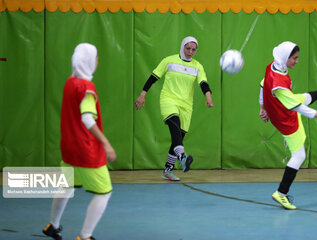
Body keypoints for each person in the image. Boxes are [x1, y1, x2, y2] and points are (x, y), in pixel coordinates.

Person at [43, 43, 116, 240]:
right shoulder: (87, 87)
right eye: (96, 57)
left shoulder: (70, 82)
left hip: (69, 148)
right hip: (86, 151)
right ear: (90, 61)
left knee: (66, 186)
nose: (98, 61)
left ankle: (53, 225)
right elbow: (87, 118)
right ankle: (85, 236)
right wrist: (106, 143)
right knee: (104, 192)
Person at [259, 41, 317, 210]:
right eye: (294, 58)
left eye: (297, 58)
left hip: (278, 107)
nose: (296, 61)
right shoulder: (278, 84)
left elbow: (262, 84)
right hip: (285, 119)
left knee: (302, 97)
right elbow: (297, 108)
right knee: (299, 156)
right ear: (285, 57)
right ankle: (281, 193)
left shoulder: (274, 65)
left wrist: (263, 106)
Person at [135, 36, 214, 181]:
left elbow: (204, 84)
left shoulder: (197, 66)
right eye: (188, 48)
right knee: (174, 126)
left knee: (178, 137)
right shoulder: (169, 61)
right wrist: (142, 95)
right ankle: (183, 158)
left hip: (186, 106)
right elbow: (153, 77)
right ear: (182, 46)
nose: (190, 52)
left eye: (193, 49)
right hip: (168, 99)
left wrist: (208, 98)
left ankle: (168, 170)